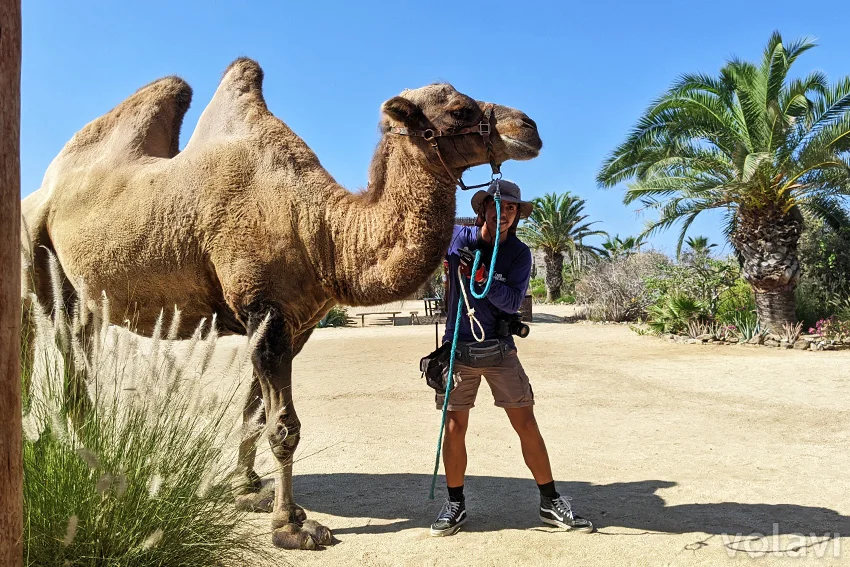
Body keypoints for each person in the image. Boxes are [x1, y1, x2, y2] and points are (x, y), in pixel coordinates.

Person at [430, 179, 594, 537]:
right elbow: (425, 236)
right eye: (497, 206)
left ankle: (550, 501)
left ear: (517, 214)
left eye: (511, 208)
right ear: (483, 209)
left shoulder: (519, 254)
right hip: (459, 348)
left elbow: (510, 302)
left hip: (501, 350)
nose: (503, 214)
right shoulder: (460, 241)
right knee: (455, 427)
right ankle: (455, 504)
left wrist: (483, 277)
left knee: (526, 424)